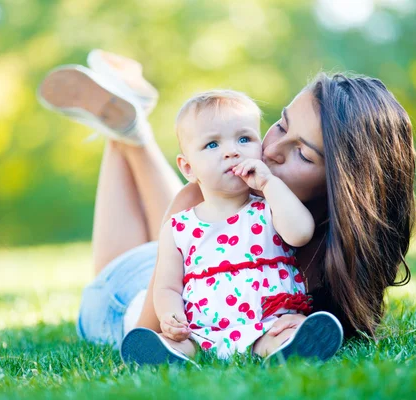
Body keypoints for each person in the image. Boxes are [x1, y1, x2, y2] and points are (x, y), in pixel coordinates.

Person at [37, 50, 416, 363]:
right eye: (281, 126)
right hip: (125, 296)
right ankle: (129, 128)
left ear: (343, 185)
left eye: (301, 152)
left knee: (153, 161)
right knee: (168, 193)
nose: (269, 152)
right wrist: (174, 328)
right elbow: (148, 325)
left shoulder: (329, 243)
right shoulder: (198, 200)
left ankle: (129, 119)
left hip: (197, 267)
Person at [118, 89, 339, 365]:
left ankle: (289, 348)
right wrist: (170, 317)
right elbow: (167, 287)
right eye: (212, 145)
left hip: (265, 326)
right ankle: (164, 354)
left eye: (244, 139)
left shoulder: (270, 207)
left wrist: (269, 184)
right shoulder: (179, 227)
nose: (232, 151)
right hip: (200, 330)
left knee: (282, 334)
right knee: (178, 344)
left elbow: (300, 232)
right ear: (188, 168)